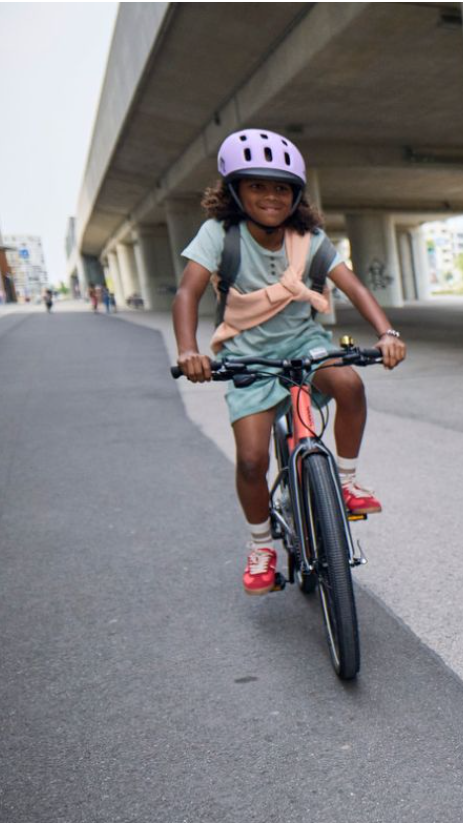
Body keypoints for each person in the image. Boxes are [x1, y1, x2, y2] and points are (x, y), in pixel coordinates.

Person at [172, 127, 405, 595]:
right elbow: (187, 293)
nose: (270, 197)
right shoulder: (219, 235)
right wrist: (188, 350)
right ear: (234, 191)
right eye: (257, 185)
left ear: (296, 195)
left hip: (304, 344)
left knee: (350, 384)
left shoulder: (308, 237)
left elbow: (353, 285)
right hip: (247, 356)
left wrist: (387, 334)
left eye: (281, 188)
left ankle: (346, 481)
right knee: (252, 461)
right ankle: (261, 546)